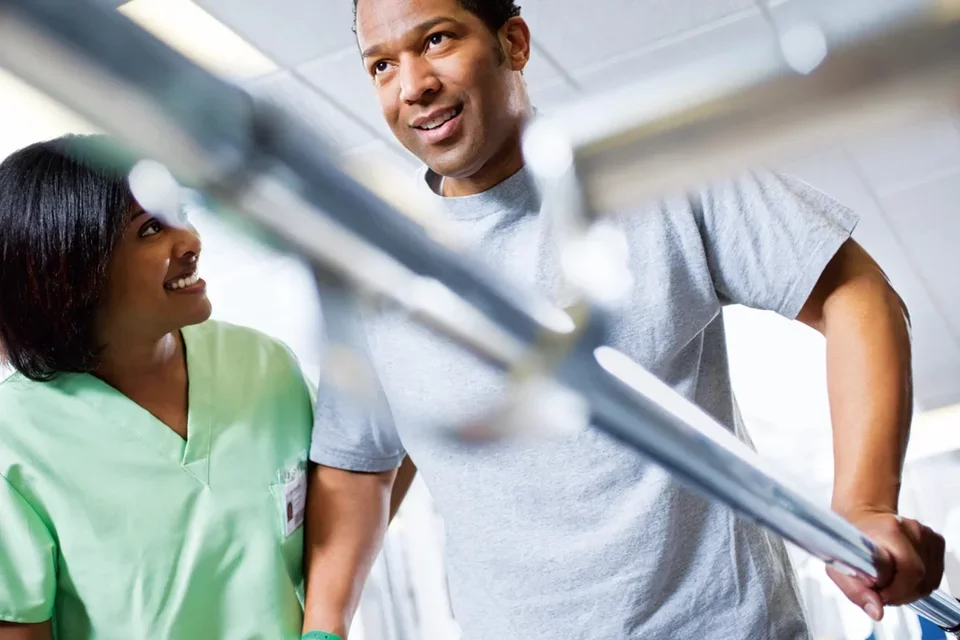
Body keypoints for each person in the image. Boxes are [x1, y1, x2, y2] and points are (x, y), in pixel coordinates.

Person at [301, 1, 947, 638]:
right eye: (381, 65)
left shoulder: (649, 170)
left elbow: (855, 294)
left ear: (515, 42)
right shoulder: (374, 271)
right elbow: (358, 467)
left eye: (437, 40)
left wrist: (863, 504)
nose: (412, 85)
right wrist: (325, 628)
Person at [0, 135, 316, 639]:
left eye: (179, 212)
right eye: (149, 229)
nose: (190, 240)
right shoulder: (13, 443)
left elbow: (356, 489)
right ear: (70, 268)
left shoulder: (264, 365)